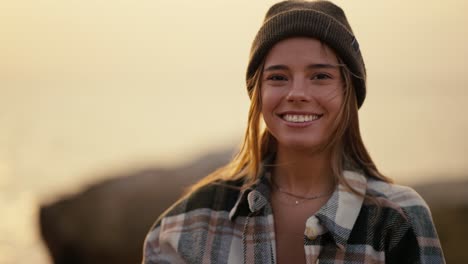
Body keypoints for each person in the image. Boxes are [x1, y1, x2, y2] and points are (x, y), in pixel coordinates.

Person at [142, 1, 445, 263]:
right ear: (258, 93)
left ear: (347, 92)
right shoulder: (187, 225)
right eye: (278, 77)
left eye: (320, 76)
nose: (297, 92)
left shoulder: (399, 218)